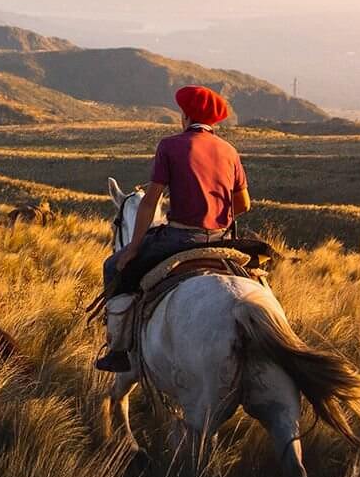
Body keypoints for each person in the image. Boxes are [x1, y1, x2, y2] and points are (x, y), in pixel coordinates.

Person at [94, 85, 254, 374]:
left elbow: (149, 202)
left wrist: (132, 248)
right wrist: (216, 216)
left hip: (179, 238)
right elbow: (243, 204)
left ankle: (118, 350)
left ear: (186, 116)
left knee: (113, 267)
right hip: (221, 239)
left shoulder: (170, 145)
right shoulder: (229, 151)